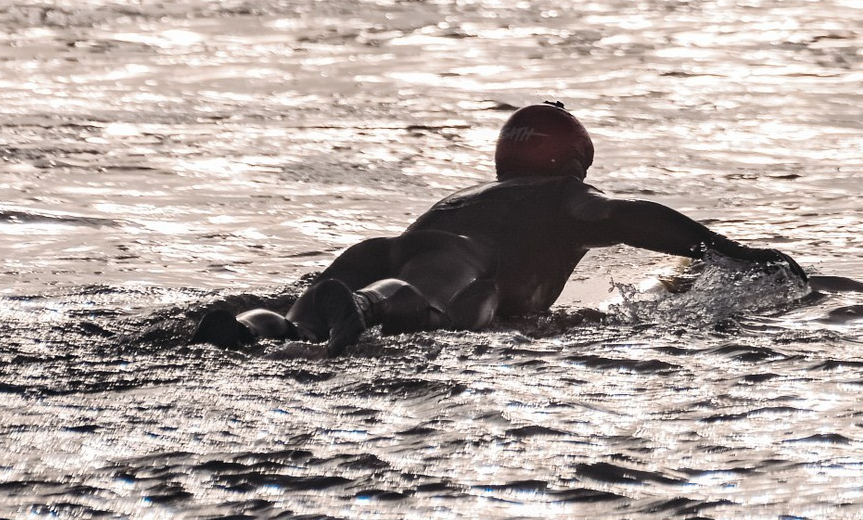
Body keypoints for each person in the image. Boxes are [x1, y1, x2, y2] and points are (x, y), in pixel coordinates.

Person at [195, 103, 804, 352]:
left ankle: (245, 326)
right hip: (456, 262)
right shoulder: (565, 196)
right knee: (421, 306)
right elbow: (627, 217)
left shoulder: (468, 196)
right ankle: (364, 303)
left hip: (384, 248)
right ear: (573, 163)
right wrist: (728, 250)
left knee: (299, 327)